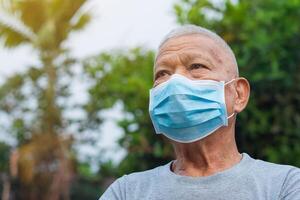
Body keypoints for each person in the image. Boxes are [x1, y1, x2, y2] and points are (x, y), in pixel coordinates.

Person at [99, 25, 300, 200]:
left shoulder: (285, 185)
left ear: (238, 94)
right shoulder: (126, 192)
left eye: (196, 66)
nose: (175, 82)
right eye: (163, 73)